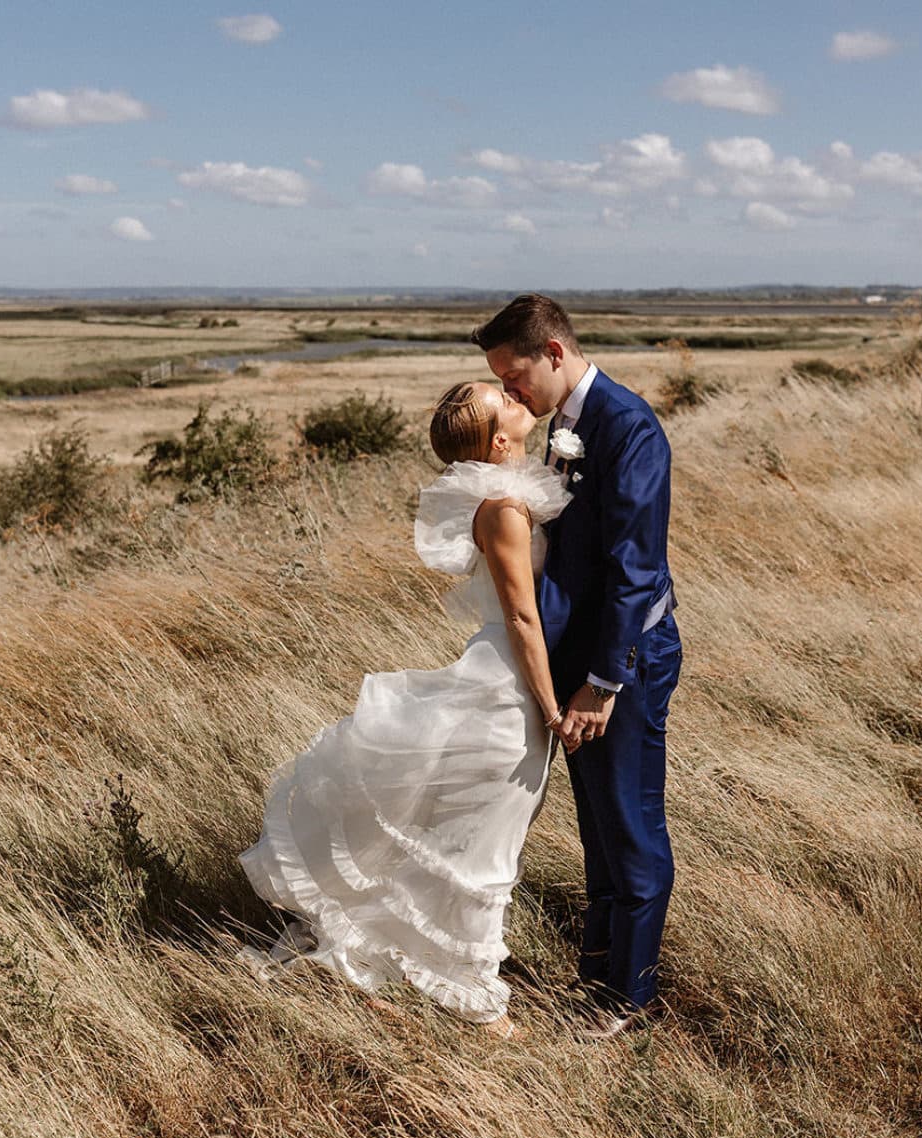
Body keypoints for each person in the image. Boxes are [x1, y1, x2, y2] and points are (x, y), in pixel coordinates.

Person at [238, 380, 574, 1039]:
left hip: (508, 680)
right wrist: (554, 709)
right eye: (499, 399)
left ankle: (361, 960)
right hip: (508, 691)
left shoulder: (514, 493)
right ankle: (482, 1009)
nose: (513, 394)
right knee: (487, 852)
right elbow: (523, 619)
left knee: (465, 840)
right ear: (500, 441)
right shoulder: (503, 508)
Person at [473, 294, 681, 1039]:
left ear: (554, 352)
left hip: (618, 667)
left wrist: (601, 684)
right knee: (597, 830)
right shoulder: (564, 424)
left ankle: (629, 1002)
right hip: (575, 666)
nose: (511, 392)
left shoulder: (628, 428)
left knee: (631, 829)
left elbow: (635, 571)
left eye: (515, 374)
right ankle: (595, 980)